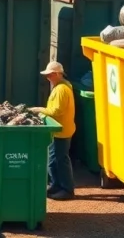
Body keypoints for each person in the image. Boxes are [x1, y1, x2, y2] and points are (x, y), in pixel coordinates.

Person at [30, 61, 77, 200]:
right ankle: (56, 185)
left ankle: (67, 190)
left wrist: (38, 110)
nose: (48, 78)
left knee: (60, 160)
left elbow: (57, 111)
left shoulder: (62, 89)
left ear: (57, 74)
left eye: (50, 75)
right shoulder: (61, 87)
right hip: (59, 130)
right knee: (54, 160)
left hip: (61, 131)